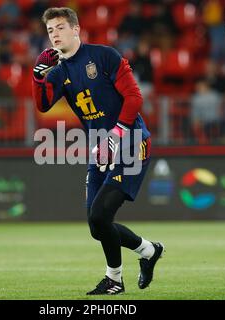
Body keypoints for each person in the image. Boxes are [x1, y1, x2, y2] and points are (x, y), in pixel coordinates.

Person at [31, 7, 164, 295]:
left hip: (130, 143)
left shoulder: (103, 56)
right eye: (50, 30)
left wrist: (116, 133)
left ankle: (114, 279)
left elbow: (134, 97)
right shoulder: (59, 72)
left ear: (76, 29)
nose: (54, 33)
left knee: (102, 214)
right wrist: (38, 77)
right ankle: (149, 251)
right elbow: (43, 104)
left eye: (60, 27)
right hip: (101, 151)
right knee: (96, 224)